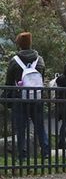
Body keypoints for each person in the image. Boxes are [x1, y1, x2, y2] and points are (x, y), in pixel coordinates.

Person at [4, 32, 50, 161]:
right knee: (40, 126)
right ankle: (45, 151)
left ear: (19, 44)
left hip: (20, 98)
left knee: (21, 128)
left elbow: (9, 82)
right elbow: (41, 77)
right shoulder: (39, 60)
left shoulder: (15, 61)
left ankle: (22, 154)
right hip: (37, 97)